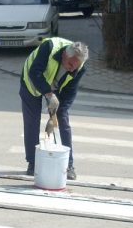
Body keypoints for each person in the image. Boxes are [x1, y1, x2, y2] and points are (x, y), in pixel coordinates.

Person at [20, 38, 89, 180]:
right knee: (32, 121)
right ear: (64, 55)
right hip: (31, 83)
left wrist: (57, 113)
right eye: (70, 64)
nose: (71, 69)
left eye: (75, 67)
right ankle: (33, 163)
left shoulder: (79, 66)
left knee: (62, 121)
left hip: (54, 86)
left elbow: (70, 91)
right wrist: (48, 93)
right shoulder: (49, 47)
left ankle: (68, 165)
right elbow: (35, 72)